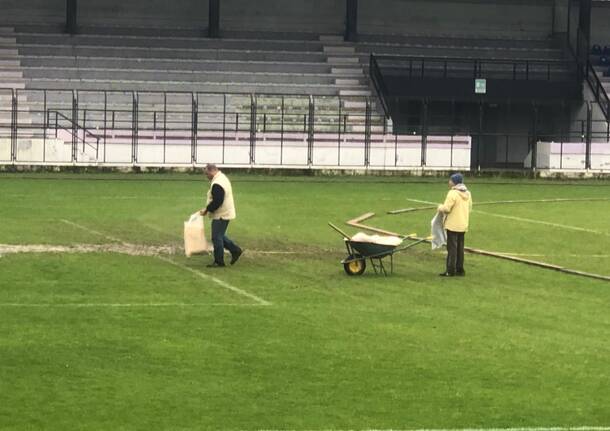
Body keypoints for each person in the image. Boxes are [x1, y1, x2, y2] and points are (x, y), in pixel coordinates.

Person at [200, 164, 242, 268]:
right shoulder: (221, 177)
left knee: (216, 237)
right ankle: (235, 250)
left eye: (206, 174)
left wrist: (207, 209)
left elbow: (218, 201)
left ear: (211, 171)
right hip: (226, 212)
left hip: (222, 214)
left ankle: (219, 261)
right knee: (220, 235)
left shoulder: (217, 183)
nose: (206, 176)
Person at [437, 173, 472, 277]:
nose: (449, 182)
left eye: (450, 180)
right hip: (463, 224)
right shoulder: (468, 193)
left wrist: (439, 207)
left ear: (454, 182)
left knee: (452, 248)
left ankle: (450, 270)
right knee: (460, 249)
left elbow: (447, 209)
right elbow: (469, 208)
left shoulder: (452, 193)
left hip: (452, 225)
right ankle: (460, 269)